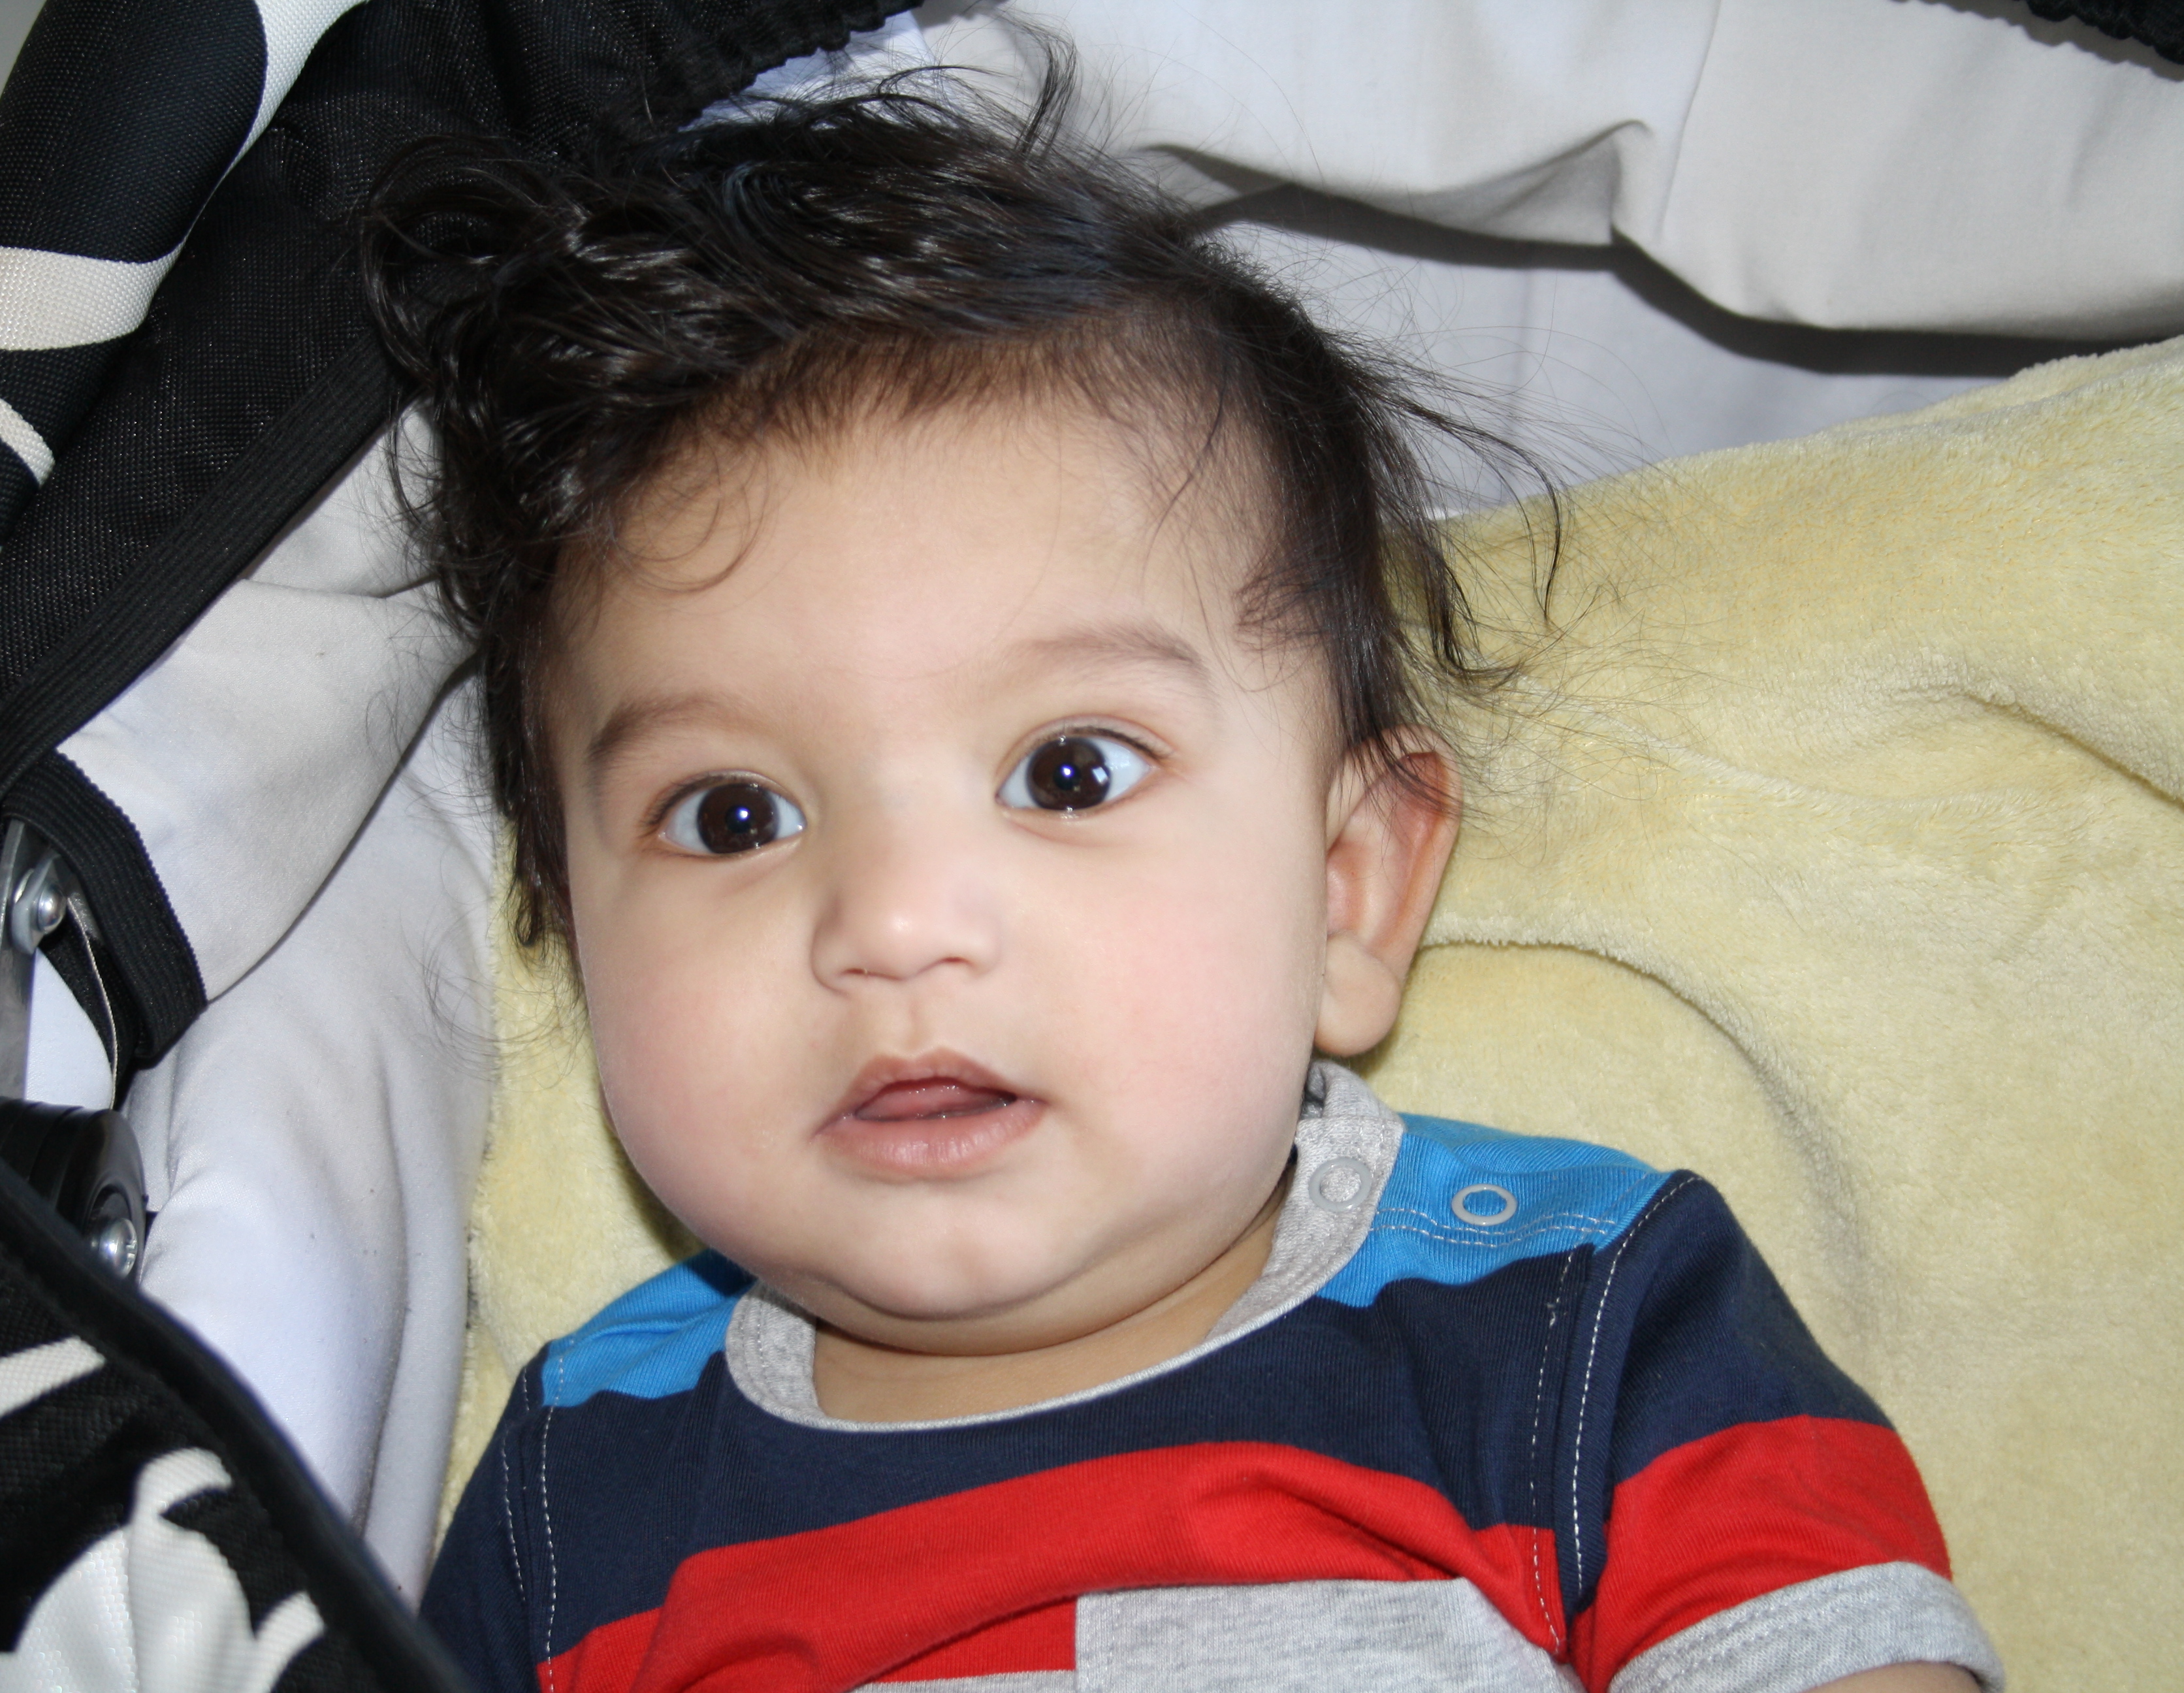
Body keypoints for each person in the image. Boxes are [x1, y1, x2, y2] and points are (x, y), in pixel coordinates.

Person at [362, 63, 2001, 1693]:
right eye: (734, 817)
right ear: (572, 932)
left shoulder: (1567, 1315)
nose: (897, 924)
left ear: (1347, 888)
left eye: (1068, 773)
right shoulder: (575, 1491)